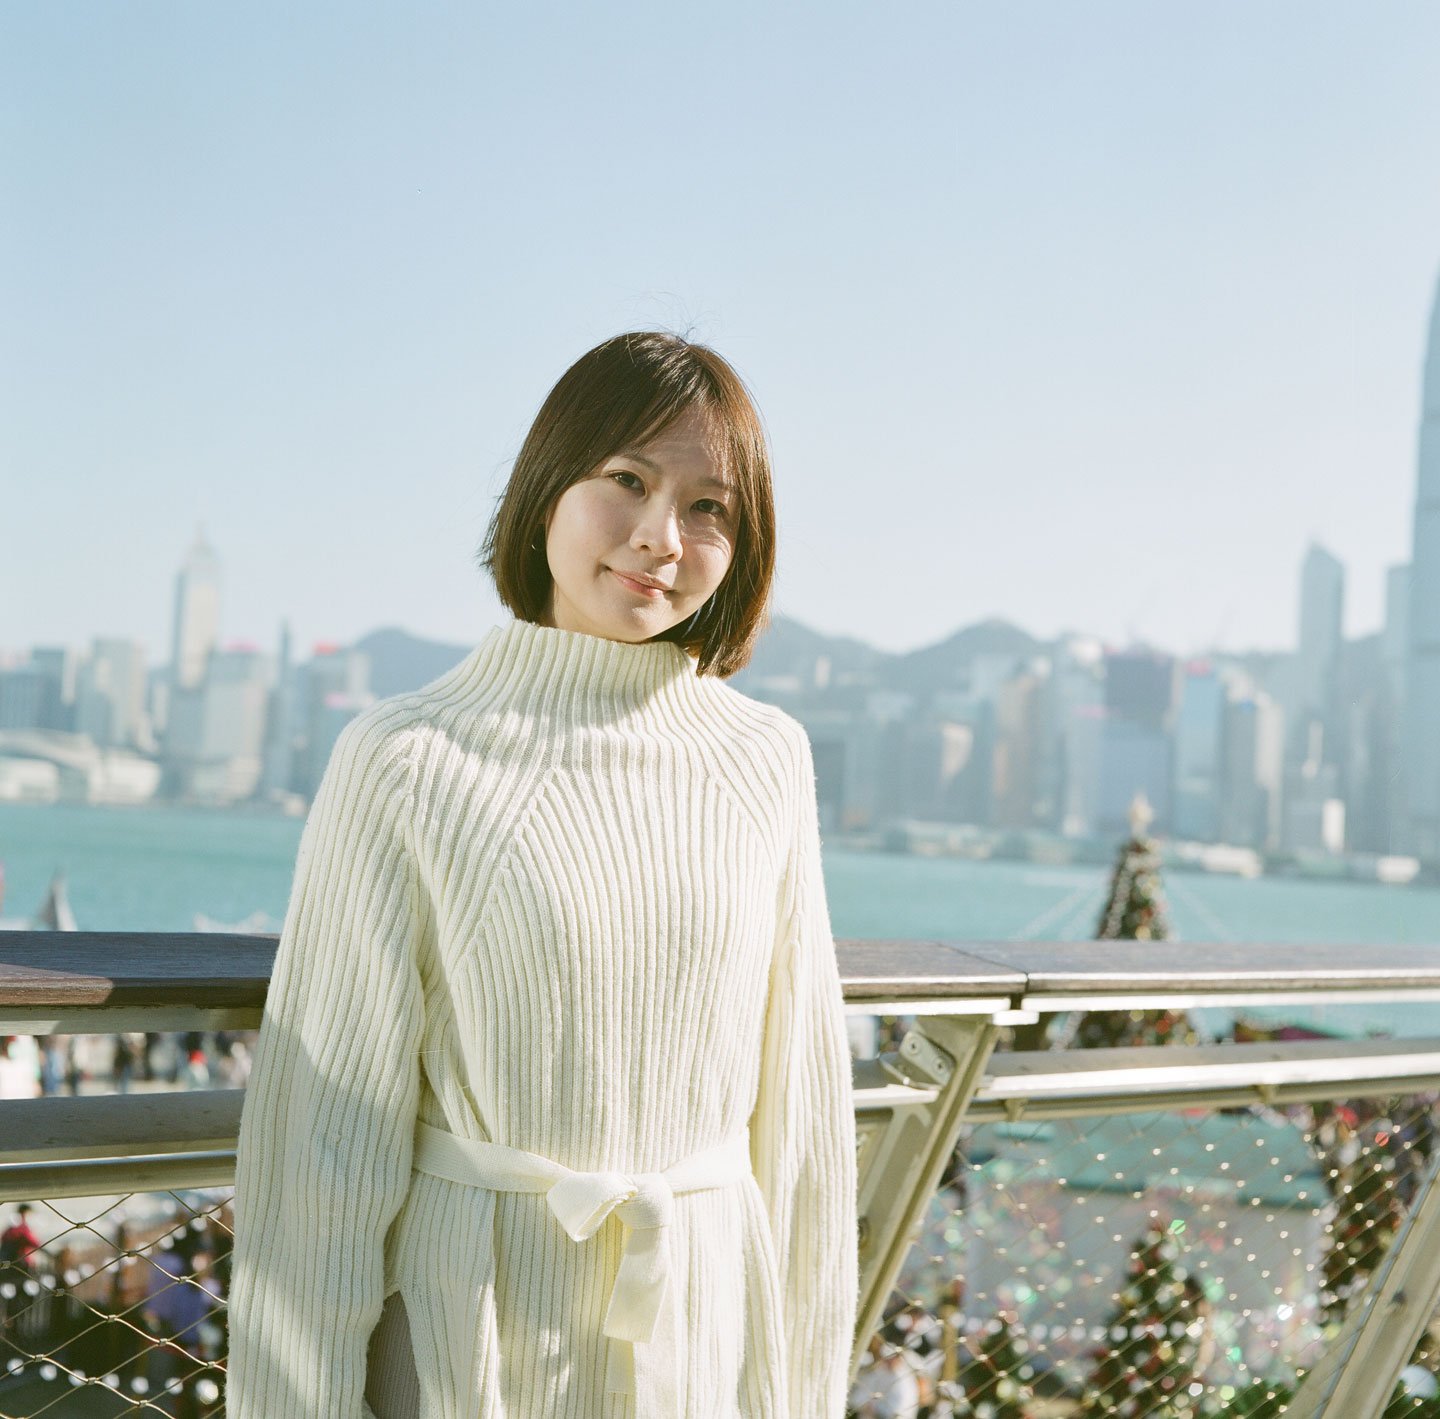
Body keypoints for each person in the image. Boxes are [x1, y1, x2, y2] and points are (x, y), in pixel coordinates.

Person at [226, 330, 859, 1418]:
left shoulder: (767, 760)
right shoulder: (409, 755)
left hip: (699, 1331)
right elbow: (324, 1138)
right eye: (628, 480)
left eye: (711, 507)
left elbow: (801, 1125)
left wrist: (803, 1391)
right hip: (474, 1331)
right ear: (546, 487)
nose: (663, 537)